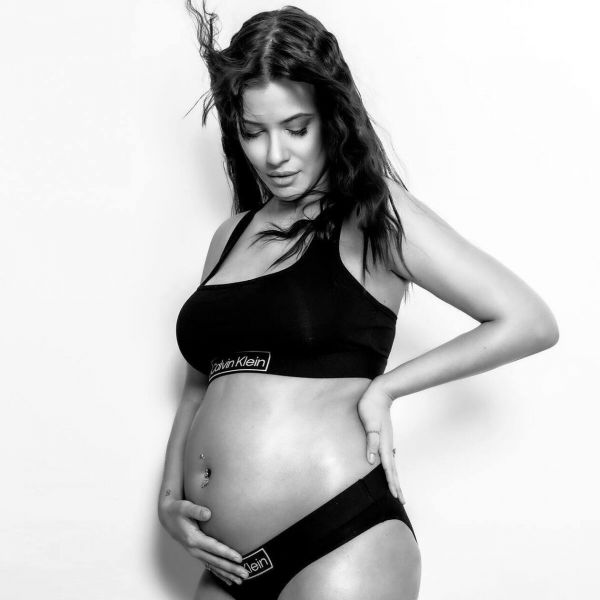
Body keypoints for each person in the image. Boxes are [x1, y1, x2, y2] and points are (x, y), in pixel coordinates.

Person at [158, 3, 560, 599]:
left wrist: (387, 388)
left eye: (296, 128)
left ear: (331, 116)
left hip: (341, 542)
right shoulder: (231, 235)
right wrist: (170, 498)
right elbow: (202, 382)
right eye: (254, 131)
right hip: (229, 563)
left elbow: (527, 320)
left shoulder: (373, 216)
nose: (274, 154)